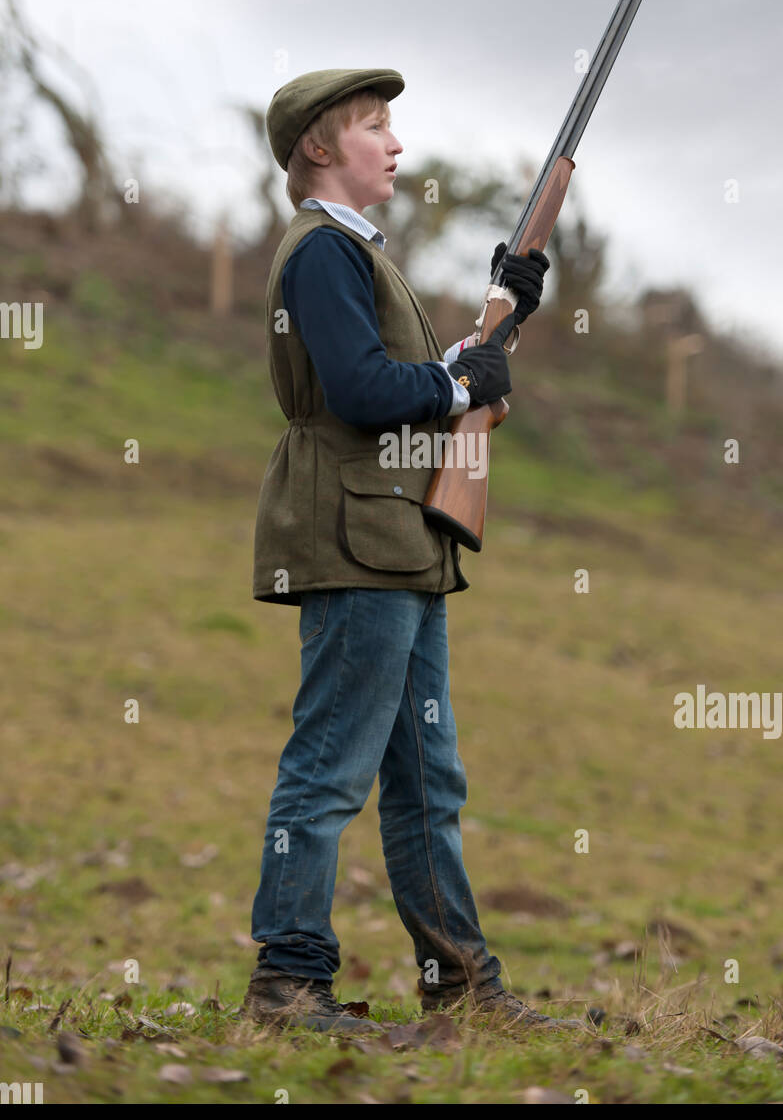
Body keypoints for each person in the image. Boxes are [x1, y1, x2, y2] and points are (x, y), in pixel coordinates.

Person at [241, 67, 580, 1034]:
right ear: (318, 147)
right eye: (375, 127)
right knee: (328, 768)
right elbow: (363, 389)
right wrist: (457, 381)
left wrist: (497, 321)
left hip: (401, 543)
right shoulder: (320, 252)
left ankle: (462, 988)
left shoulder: (361, 255)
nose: (396, 145)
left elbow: (426, 388)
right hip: (355, 540)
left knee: (429, 779)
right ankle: (287, 985)